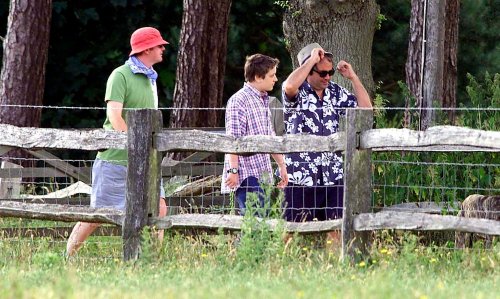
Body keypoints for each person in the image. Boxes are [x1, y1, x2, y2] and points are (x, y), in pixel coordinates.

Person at [66, 27, 169, 256]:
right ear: (147, 49)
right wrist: (134, 146)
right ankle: (68, 257)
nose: (163, 49)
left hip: (147, 161)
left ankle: (152, 261)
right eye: (159, 45)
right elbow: (114, 116)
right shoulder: (120, 75)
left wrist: (145, 151)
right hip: (115, 161)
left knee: (159, 209)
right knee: (97, 216)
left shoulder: (151, 78)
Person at [281, 43, 372, 245]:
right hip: (301, 175)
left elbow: (365, 110)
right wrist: (312, 59)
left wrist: (353, 78)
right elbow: (288, 86)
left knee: (336, 228)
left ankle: (334, 269)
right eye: (322, 72)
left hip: (332, 173)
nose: (328, 77)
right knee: (291, 229)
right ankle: (282, 265)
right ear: (308, 69)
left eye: (330, 72)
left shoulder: (335, 92)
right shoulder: (297, 92)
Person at [222, 54, 288, 215]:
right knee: (254, 220)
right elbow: (233, 139)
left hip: (262, 173)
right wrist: (234, 171)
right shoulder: (239, 101)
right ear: (258, 77)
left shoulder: (263, 100)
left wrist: (282, 165)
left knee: (260, 220)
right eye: (272, 75)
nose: (275, 79)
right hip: (246, 174)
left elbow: (269, 137)